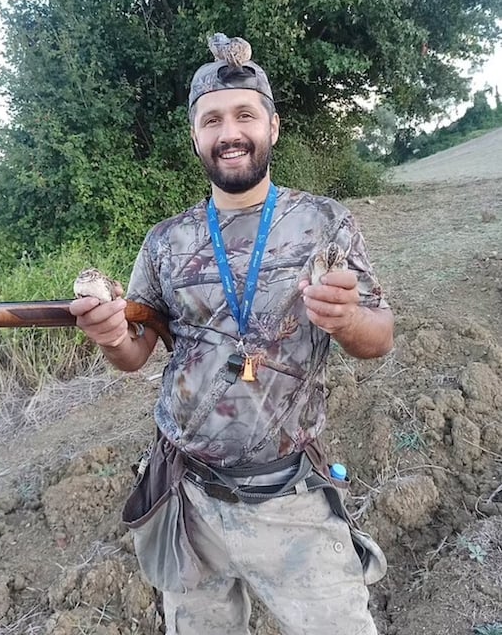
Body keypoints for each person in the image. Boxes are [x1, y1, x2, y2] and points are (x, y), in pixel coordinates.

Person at [70, 33, 394, 635]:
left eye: (245, 114)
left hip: (290, 498)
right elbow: (136, 353)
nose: (230, 132)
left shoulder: (325, 222)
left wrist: (349, 319)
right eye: (212, 120)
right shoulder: (166, 241)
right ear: (195, 136)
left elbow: (381, 338)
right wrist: (111, 336)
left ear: (273, 126)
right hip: (187, 498)